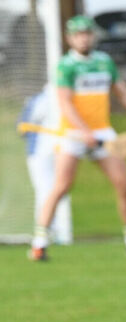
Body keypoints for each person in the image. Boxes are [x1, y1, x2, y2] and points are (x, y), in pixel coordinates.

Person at [28, 15, 126, 261]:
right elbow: (65, 103)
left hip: (102, 132)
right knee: (61, 187)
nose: (83, 37)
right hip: (73, 134)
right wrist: (83, 131)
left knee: (124, 186)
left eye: (87, 33)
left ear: (93, 35)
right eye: (78, 34)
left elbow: (124, 94)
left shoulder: (104, 62)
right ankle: (39, 244)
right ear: (70, 38)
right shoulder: (65, 65)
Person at [19, 85, 72, 245]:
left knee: (60, 189)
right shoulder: (41, 100)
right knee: (46, 190)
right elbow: (22, 127)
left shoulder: (69, 98)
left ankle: (55, 230)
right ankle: (44, 233)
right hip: (39, 154)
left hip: (60, 150)